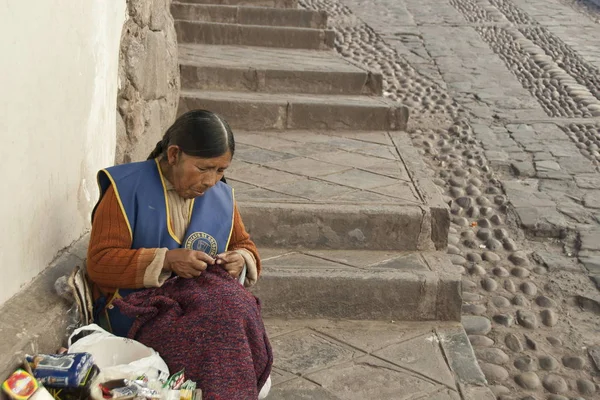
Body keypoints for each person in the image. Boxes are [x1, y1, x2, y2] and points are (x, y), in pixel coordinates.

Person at [86, 110, 272, 399]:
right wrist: (167, 260)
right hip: (138, 308)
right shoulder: (125, 189)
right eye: (204, 168)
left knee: (237, 311)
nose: (212, 180)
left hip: (201, 300)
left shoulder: (221, 197)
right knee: (210, 330)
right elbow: (99, 264)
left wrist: (240, 259)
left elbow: (244, 245)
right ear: (173, 155)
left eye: (220, 170)